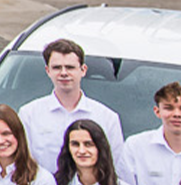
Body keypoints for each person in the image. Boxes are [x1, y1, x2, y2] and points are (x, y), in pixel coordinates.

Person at [19, 38, 125, 175]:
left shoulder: (106, 117)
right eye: (57, 67)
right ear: (47, 71)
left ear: (83, 70)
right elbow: (24, 164)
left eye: (70, 67)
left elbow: (115, 168)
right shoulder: (29, 115)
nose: (63, 73)